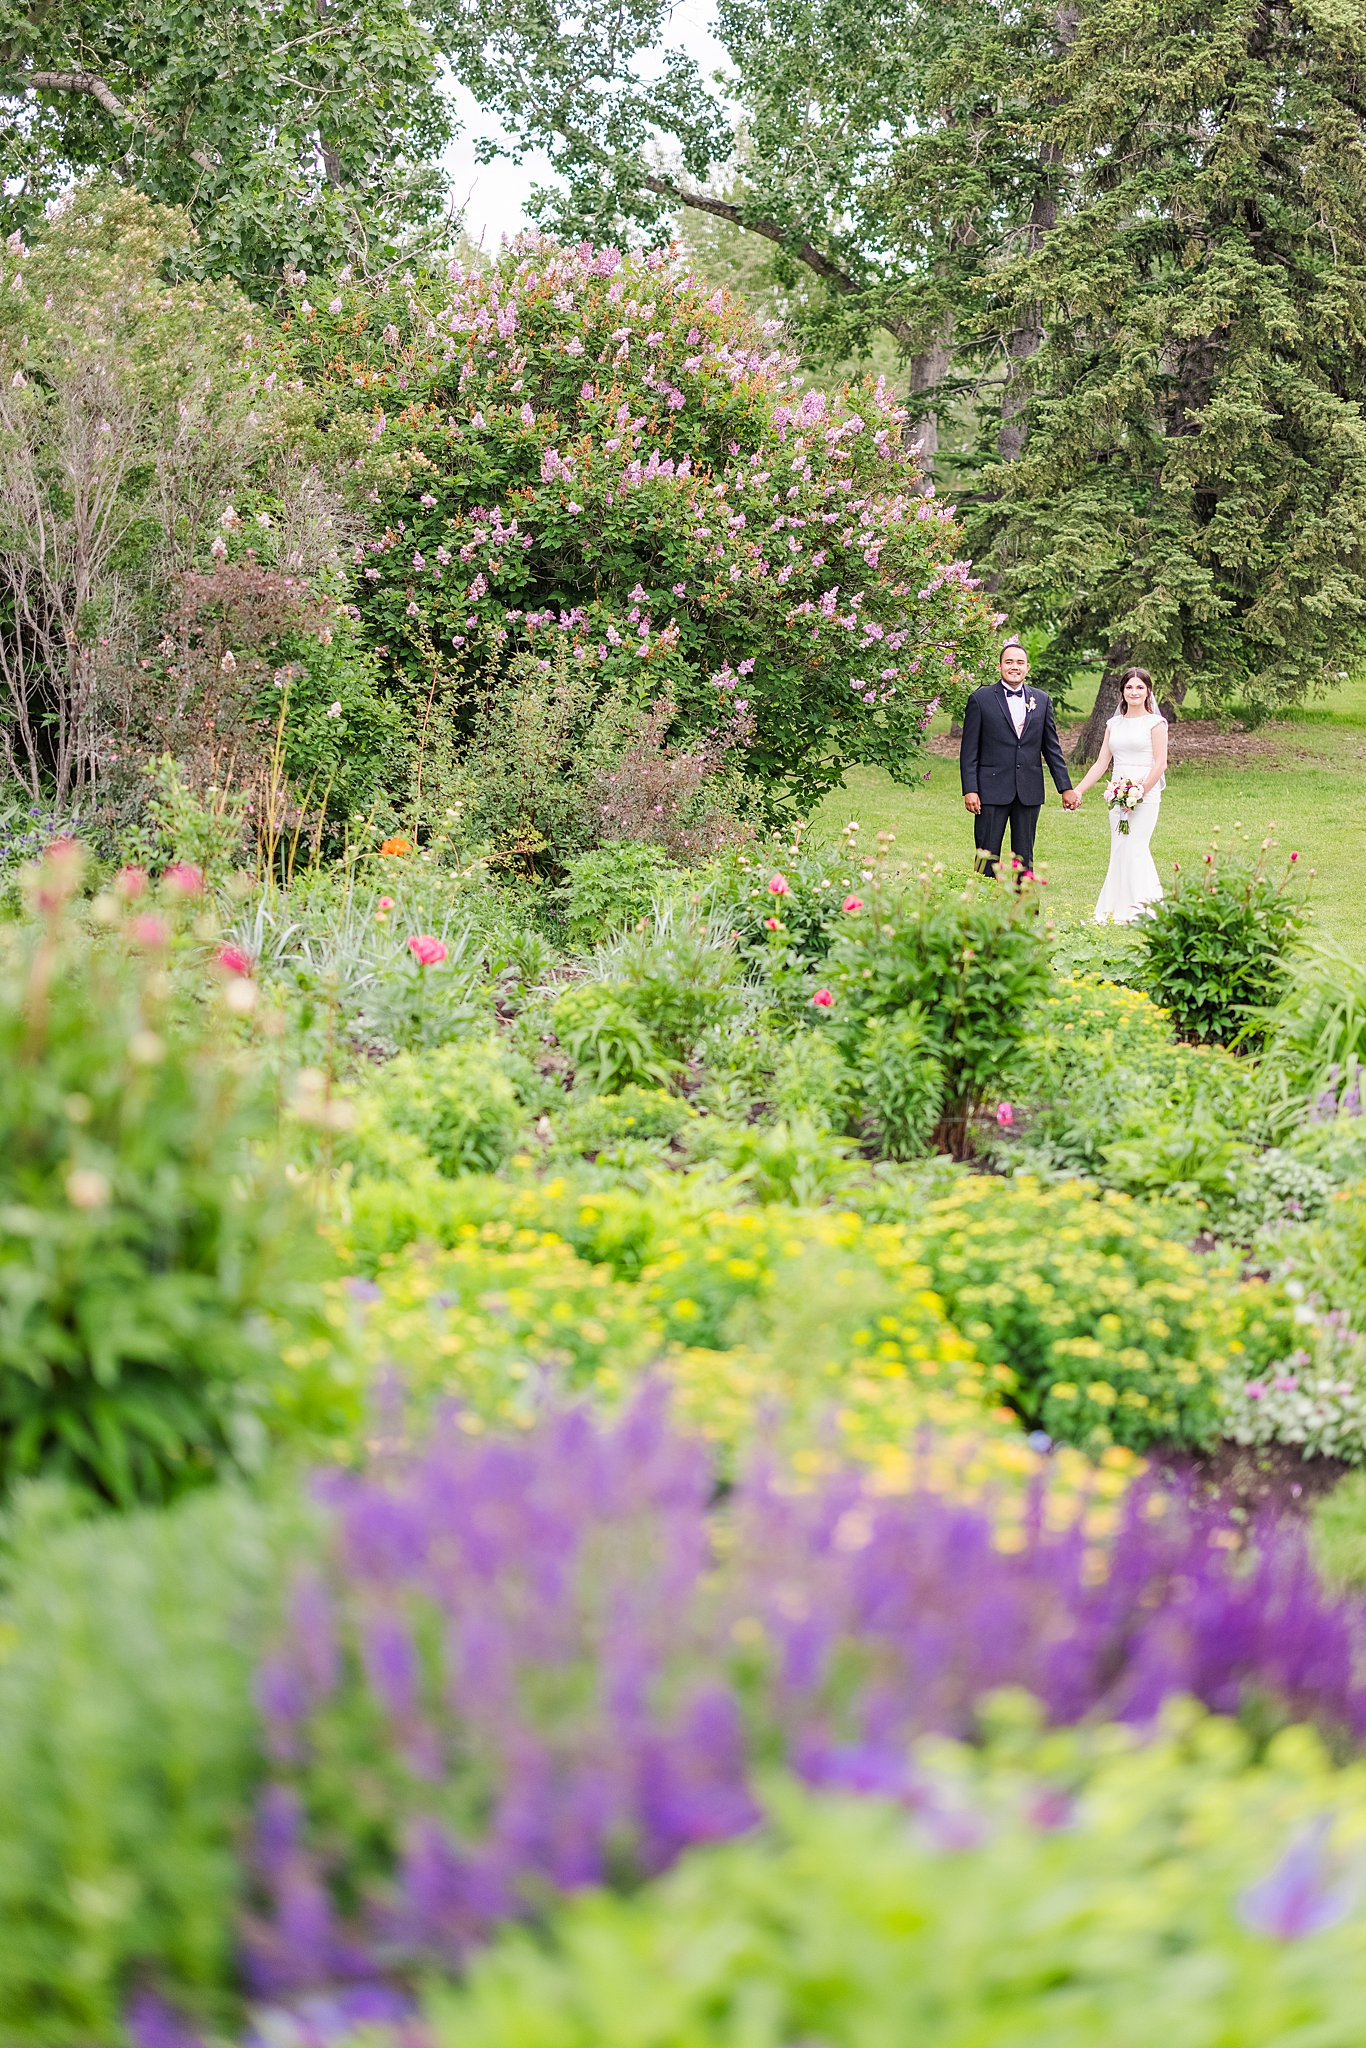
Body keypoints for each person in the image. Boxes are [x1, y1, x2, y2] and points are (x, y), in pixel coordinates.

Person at [959, 639, 1079, 878]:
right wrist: (970, 789)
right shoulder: (980, 699)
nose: (1015, 667)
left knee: (1024, 856)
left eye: (1020, 662)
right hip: (990, 790)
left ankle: (1023, 909)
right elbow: (969, 750)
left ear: (1027, 668)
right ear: (1000, 666)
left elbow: (1051, 748)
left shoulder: (1041, 700)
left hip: (1028, 790)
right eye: (1009, 662)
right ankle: (984, 908)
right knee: (986, 854)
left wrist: (1065, 787)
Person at [1071, 666, 1170, 922]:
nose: (1134, 692)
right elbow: (1102, 763)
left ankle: (1145, 909)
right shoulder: (1113, 724)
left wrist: (1139, 793)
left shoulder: (1156, 724)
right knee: (1120, 848)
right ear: (1122, 692)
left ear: (1148, 691)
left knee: (1136, 847)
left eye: (1139, 687)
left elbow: (1160, 763)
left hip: (1145, 795)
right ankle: (1114, 908)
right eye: (1129, 687)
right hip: (1116, 794)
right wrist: (1079, 789)